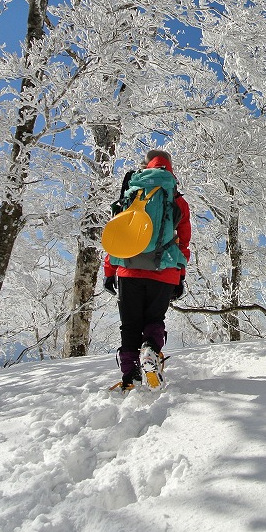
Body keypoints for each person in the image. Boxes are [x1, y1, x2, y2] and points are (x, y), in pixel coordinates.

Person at [103, 150, 191, 389]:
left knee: (130, 325)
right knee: (154, 319)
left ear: (145, 165)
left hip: (128, 269)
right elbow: (183, 242)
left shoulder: (132, 192)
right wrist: (179, 275)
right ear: (170, 168)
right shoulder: (176, 199)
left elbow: (117, 233)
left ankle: (130, 375)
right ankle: (151, 349)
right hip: (165, 271)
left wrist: (110, 270)